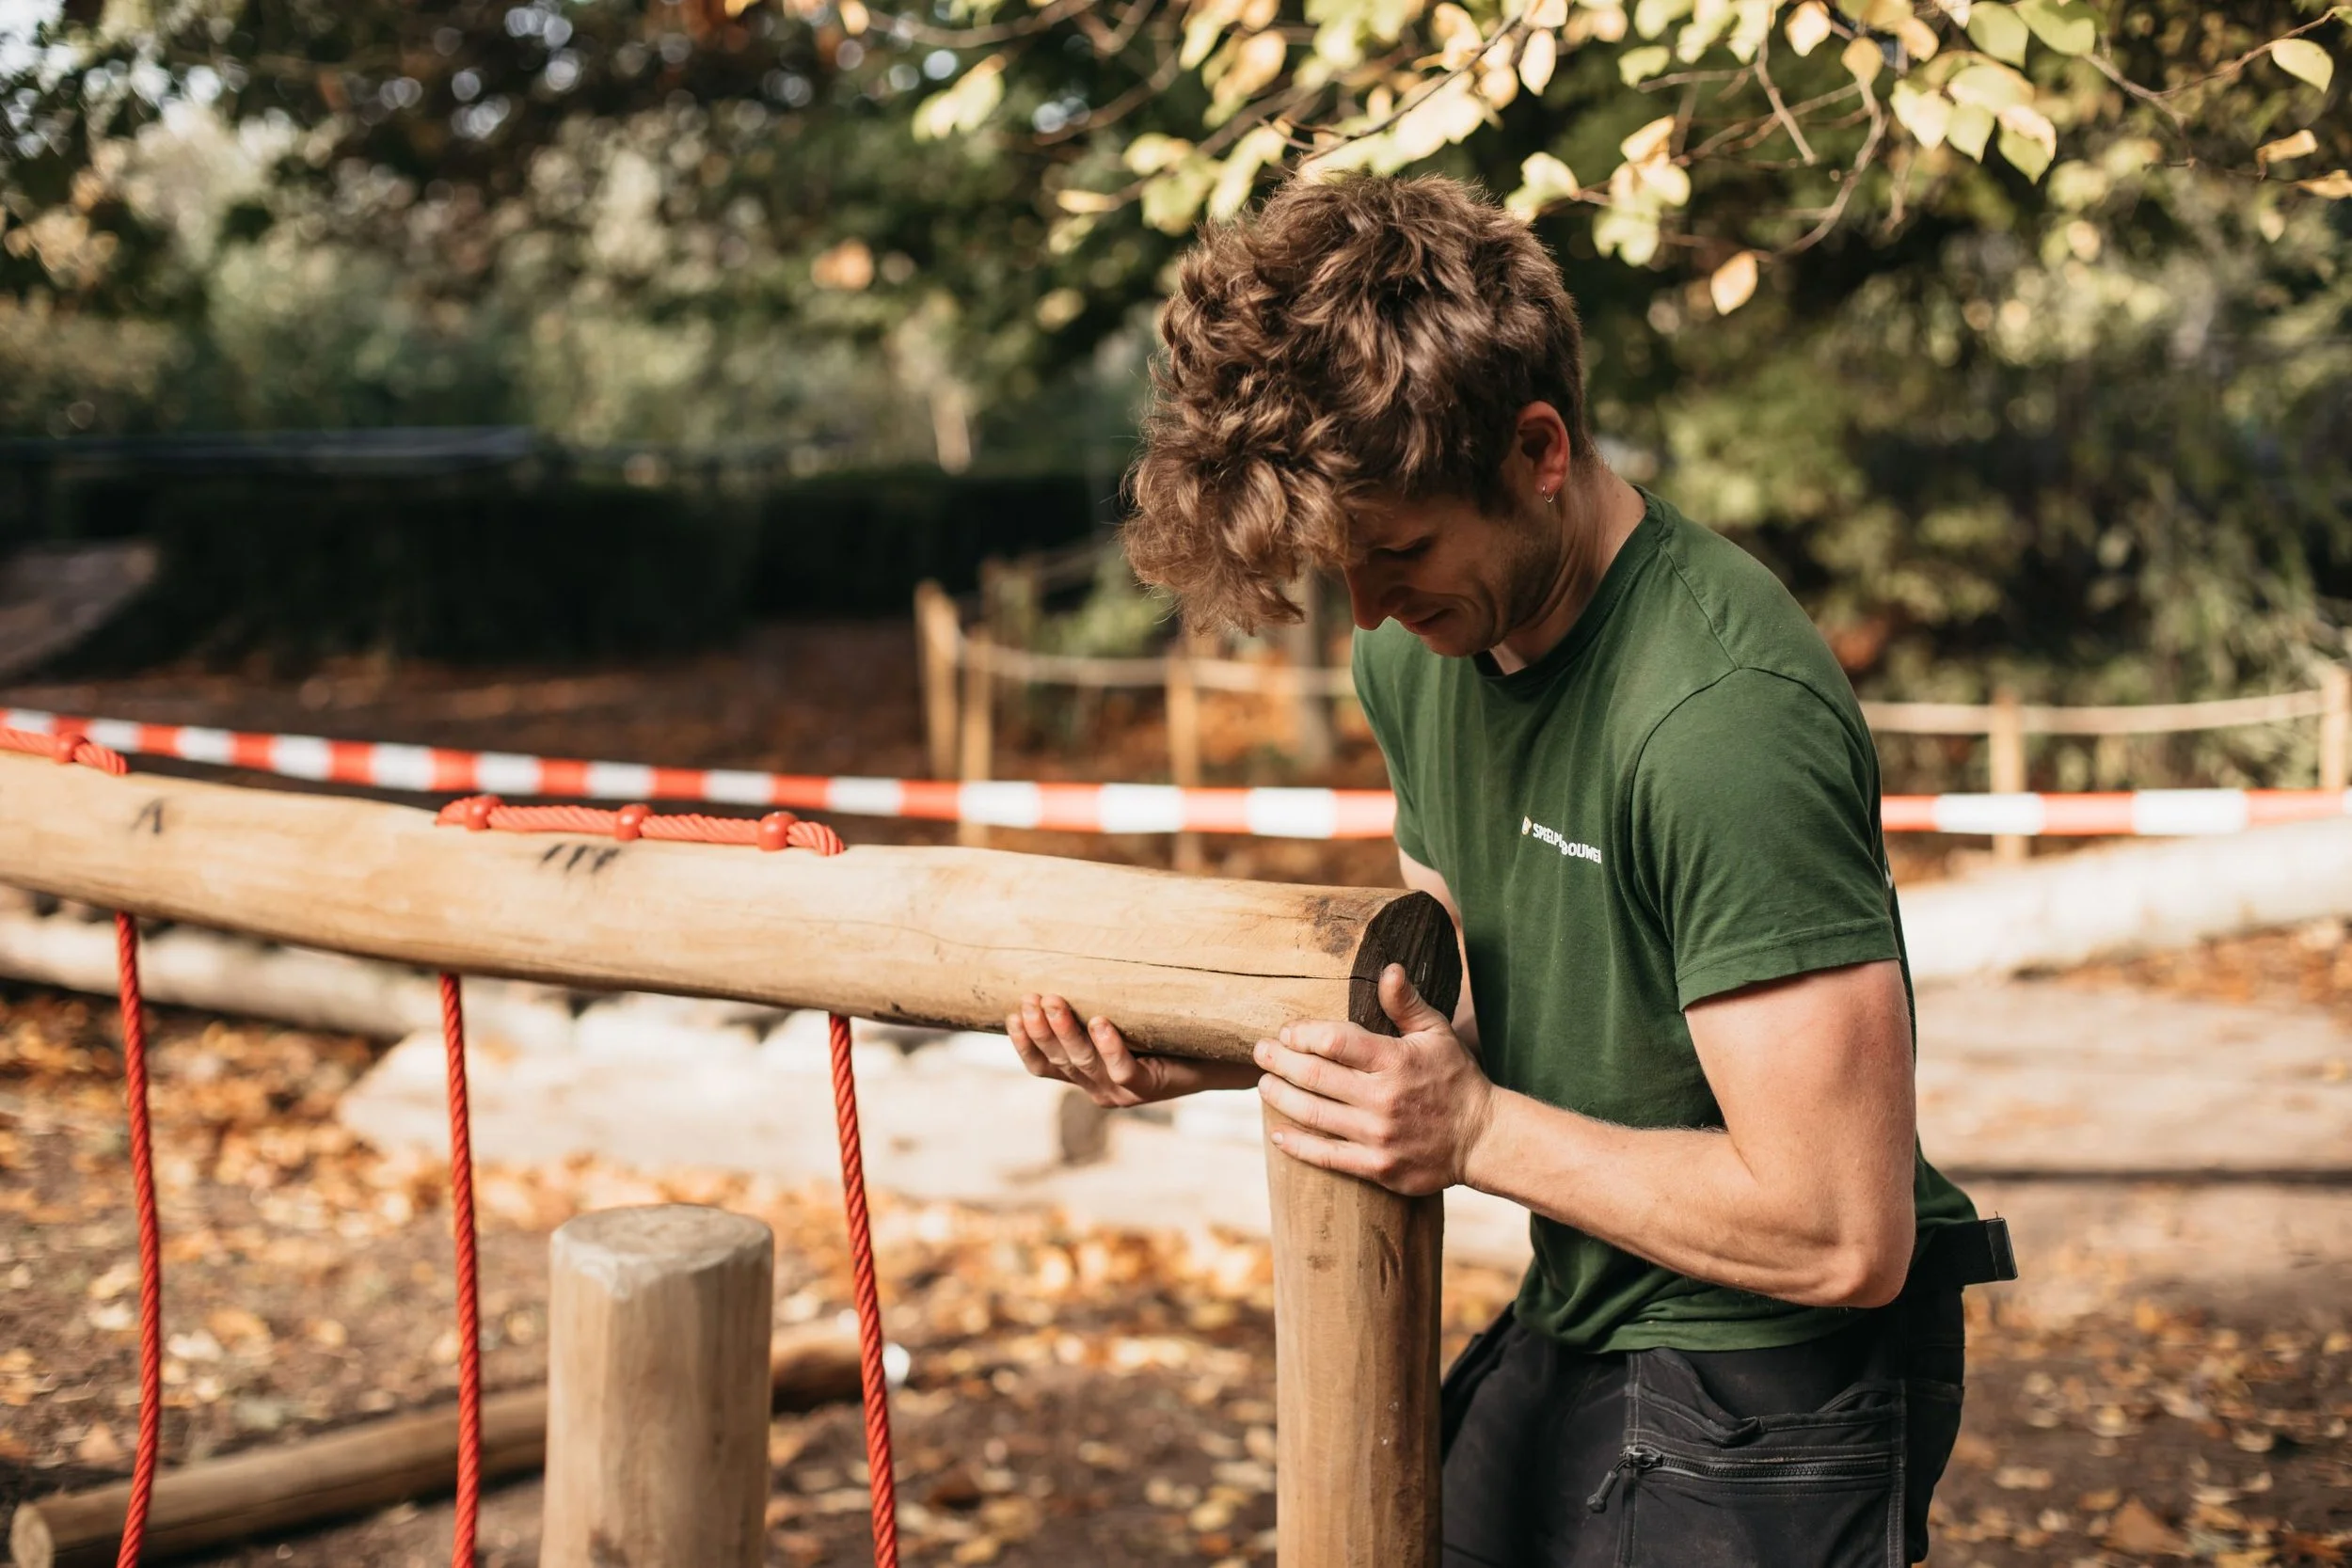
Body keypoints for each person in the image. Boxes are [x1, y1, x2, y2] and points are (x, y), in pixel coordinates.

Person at [1008, 173, 2010, 1566]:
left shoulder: (1725, 723)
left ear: (1539, 450)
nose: (1370, 612)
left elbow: (1843, 1231)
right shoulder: (1417, 644)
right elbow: (1489, 1017)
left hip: (1779, 1361)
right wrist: (1245, 1051)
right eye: (1341, 563)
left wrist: (1472, 1134)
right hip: (1587, 1302)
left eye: (1400, 550)